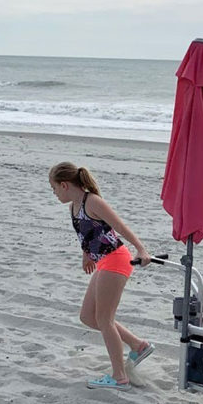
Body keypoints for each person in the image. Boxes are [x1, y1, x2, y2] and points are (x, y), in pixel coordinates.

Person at [49, 162, 155, 389]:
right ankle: (138, 346)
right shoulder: (73, 207)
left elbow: (120, 226)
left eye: (54, 188)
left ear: (65, 185)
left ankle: (120, 378)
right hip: (103, 262)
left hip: (117, 259)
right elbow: (87, 233)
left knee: (104, 320)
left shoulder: (93, 201)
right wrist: (86, 254)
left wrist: (141, 249)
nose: (54, 193)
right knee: (88, 317)